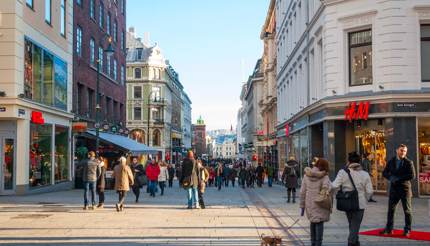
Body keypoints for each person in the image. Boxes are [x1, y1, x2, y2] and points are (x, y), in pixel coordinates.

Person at [332, 152, 373, 246]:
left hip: (347, 202)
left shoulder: (343, 172)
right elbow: (370, 191)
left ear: (348, 161)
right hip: (360, 204)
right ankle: (351, 242)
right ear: (359, 162)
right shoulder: (365, 174)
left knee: (352, 224)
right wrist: (365, 199)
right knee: (355, 224)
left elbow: (334, 186)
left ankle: (355, 242)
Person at [380, 144, 416, 237]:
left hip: (405, 190)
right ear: (397, 151)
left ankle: (407, 230)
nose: (403, 152)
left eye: (404, 151)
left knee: (407, 211)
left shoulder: (409, 162)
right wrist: (391, 178)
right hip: (394, 190)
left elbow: (412, 175)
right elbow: (384, 172)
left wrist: (398, 178)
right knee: (390, 210)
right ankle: (389, 229)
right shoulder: (391, 161)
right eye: (401, 150)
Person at [300, 158, 332, 246]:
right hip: (320, 202)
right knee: (319, 222)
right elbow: (328, 189)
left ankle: (313, 243)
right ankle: (318, 243)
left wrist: (302, 206)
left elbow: (302, 192)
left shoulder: (306, 175)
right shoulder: (325, 176)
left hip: (309, 203)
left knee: (313, 221)